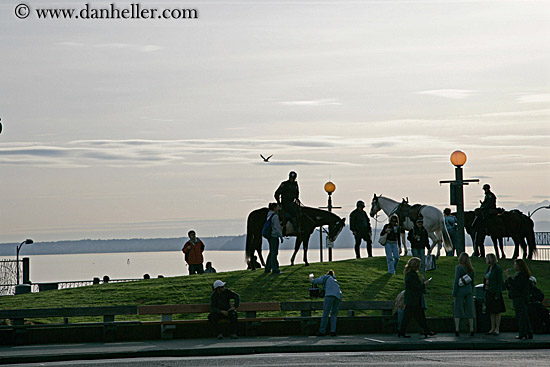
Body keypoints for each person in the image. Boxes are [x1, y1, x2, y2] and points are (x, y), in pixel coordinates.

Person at [398, 257, 436, 338]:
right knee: (416, 316)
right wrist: (424, 283)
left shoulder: (409, 274)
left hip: (411, 299)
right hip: (413, 299)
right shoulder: (412, 275)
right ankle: (426, 330)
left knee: (414, 316)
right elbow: (416, 287)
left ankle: (425, 330)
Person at [505, 259, 533, 339]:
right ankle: (528, 332)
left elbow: (516, 285)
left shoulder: (521, 276)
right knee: (523, 315)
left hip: (520, 297)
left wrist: (509, 277)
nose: (514, 266)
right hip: (520, 297)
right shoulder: (521, 275)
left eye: (515, 264)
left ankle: (523, 333)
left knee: (521, 316)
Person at [312, 270, 342, 337]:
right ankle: (333, 331)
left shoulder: (326, 277)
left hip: (329, 295)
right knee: (334, 314)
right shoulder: (335, 280)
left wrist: (311, 278)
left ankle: (322, 331)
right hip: (338, 296)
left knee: (326, 313)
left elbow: (315, 281)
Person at [452, 252, 476, 336]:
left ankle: (457, 329)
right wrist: (471, 290)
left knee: (458, 309)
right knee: (470, 310)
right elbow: (472, 282)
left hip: (460, 291)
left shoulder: (459, 268)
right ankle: (471, 329)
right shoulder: (471, 269)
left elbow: (456, 281)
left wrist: (454, 292)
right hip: (469, 291)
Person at [484, 253, 505, 335]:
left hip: (495, 292)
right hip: (489, 291)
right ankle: (492, 327)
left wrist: (497, 293)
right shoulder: (489, 268)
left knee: (497, 311)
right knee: (491, 311)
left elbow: (499, 281)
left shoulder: (497, 269)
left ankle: (497, 328)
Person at [265, 202, 284, 274]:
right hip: (274, 236)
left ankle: (267, 268)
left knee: (271, 252)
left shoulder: (269, 215)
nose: (278, 208)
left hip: (270, 236)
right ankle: (275, 269)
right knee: (274, 253)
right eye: (277, 207)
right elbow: (277, 227)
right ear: (274, 208)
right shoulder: (275, 216)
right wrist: (281, 236)